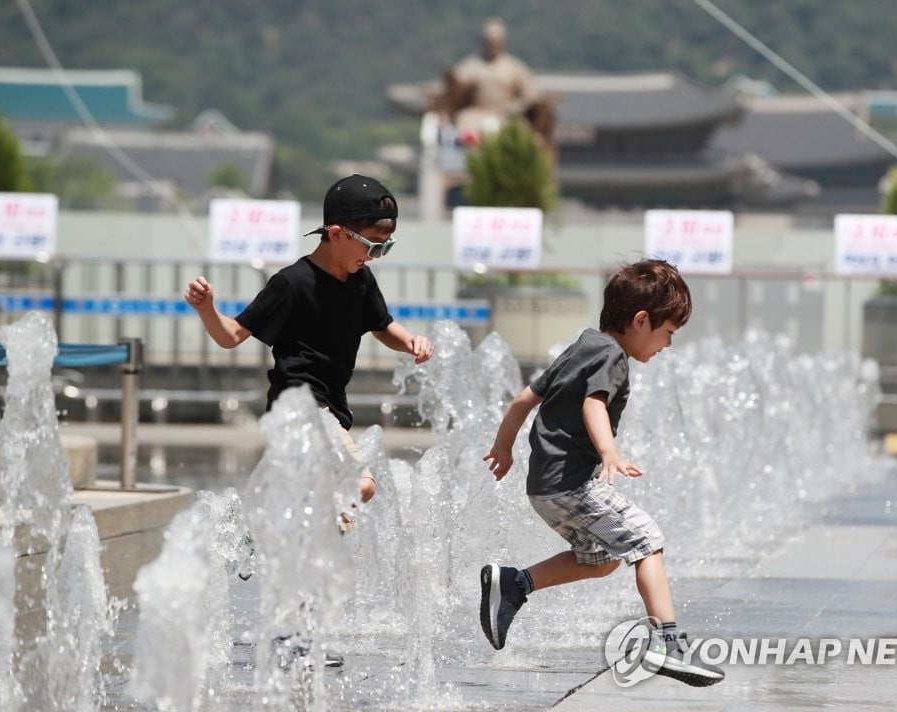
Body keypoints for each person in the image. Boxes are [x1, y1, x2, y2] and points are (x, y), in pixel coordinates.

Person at [479, 259, 724, 687]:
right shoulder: (612, 356)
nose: (667, 344)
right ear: (641, 320)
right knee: (647, 540)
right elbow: (594, 404)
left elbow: (522, 399)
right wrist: (610, 451)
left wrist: (503, 446)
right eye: (668, 332)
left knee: (602, 558)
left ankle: (515, 584)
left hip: (545, 487)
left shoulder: (582, 346)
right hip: (572, 484)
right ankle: (668, 643)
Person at [185, 174, 434, 509]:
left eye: (385, 247)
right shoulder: (292, 283)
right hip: (300, 407)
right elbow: (231, 336)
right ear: (336, 233)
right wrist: (206, 308)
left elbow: (382, 325)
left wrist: (411, 341)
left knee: (291, 511)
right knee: (360, 485)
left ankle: (261, 549)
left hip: (331, 409)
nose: (376, 256)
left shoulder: (360, 280)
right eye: (374, 245)